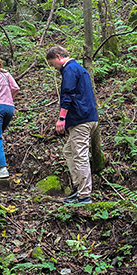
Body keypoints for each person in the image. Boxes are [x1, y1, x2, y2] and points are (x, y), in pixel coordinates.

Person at [46, 45, 99, 204]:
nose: (53, 68)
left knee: (80, 155)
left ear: (58, 57)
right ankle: (77, 188)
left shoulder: (70, 69)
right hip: (88, 118)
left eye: (52, 63)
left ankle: (84, 195)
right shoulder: (80, 69)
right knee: (69, 151)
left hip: (81, 120)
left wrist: (61, 118)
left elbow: (67, 94)